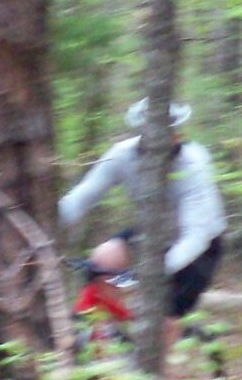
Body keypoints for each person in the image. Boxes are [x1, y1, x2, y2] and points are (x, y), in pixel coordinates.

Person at [59, 99, 229, 327]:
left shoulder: (193, 163)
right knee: (103, 260)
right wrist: (47, 230)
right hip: (152, 234)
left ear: (177, 134)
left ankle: (156, 343)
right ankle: (109, 334)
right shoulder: (122, 154)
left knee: (164, 320)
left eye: (169, 132)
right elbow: (81, 198)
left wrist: (153, 271)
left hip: (199, 247)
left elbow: (196, 237)